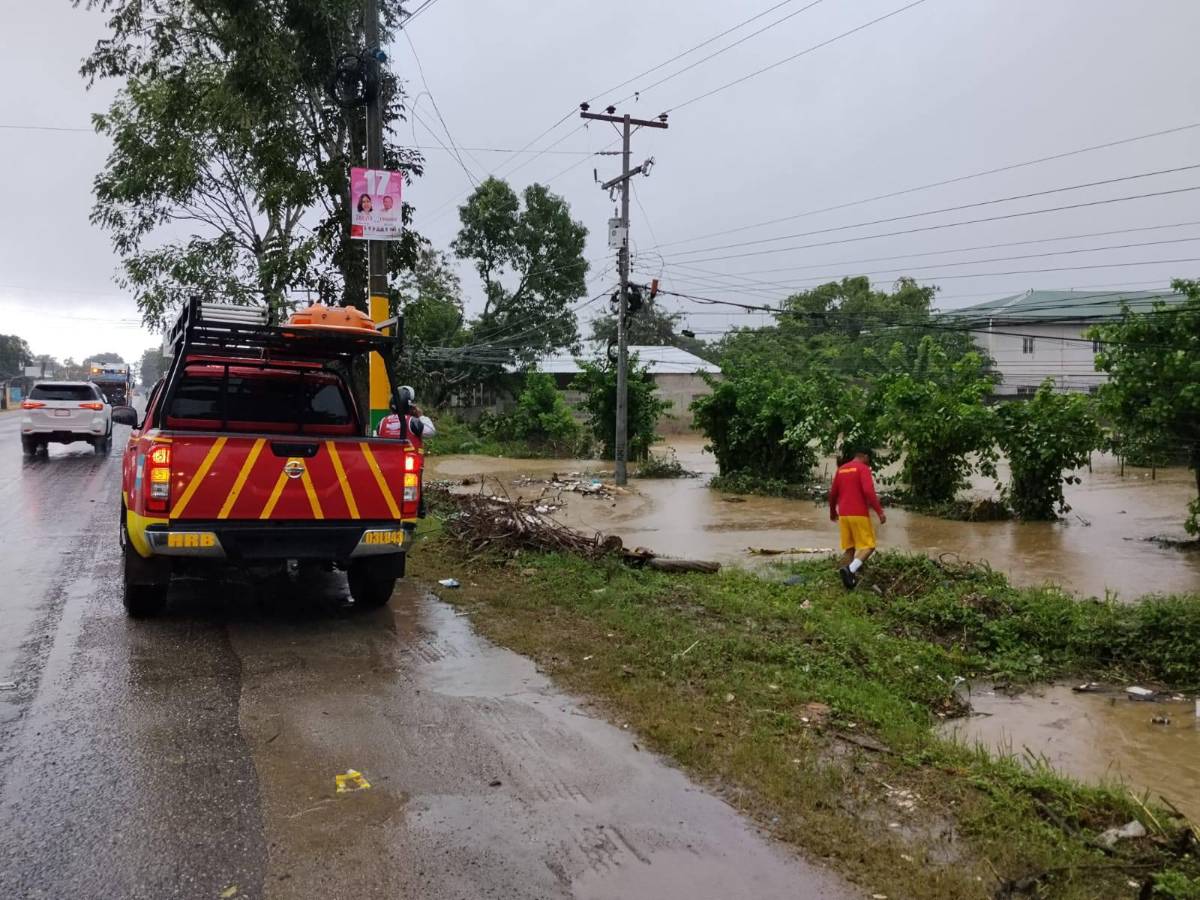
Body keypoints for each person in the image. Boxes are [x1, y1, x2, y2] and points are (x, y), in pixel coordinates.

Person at [828, 447, 886, 590]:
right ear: (865, 457)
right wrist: (879, 512)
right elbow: (868, 491)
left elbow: (833, 494)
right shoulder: (863, 469)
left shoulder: (841, 469)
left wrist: (832, 512)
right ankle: (851, 570)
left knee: (850, 548)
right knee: (869, 547)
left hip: (844, 514)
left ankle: (846, 581)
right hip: (859, 513)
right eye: (869, 459)